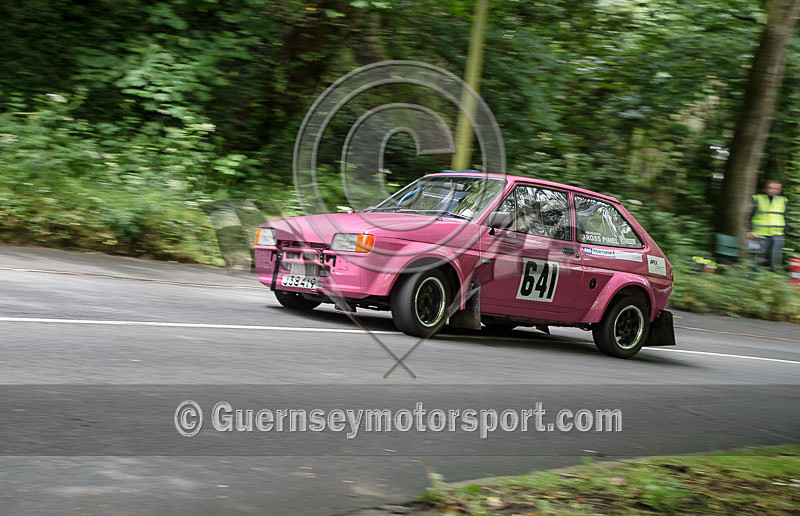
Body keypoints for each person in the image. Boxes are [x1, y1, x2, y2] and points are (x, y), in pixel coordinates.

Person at [747, 179, 789, 272]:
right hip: (758, 234)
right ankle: (752, 278)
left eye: (776, 189)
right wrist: (748, 231)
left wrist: (785, 231)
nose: (772, 190)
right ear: (765, 188)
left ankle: (772, 280)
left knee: (775, 259)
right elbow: (749, 216)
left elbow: (786, 217)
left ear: (780, 190)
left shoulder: (783, 201)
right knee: (757, 258)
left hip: (777, 234)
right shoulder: (757, 199)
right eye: (770, 188)